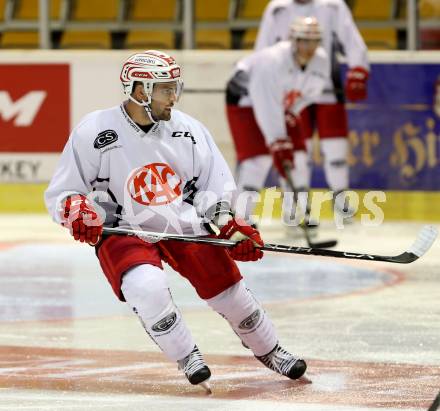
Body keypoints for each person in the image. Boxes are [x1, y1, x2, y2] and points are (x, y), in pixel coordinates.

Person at [44, 50, 307, 392]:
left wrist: (229, 224)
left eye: (174, 87)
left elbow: (212, 187)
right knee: (146, 287)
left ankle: (271, 350)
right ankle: (187, 356)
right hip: (124, 228)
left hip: (182, 223)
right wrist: (77, 212)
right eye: (166, 88)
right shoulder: (95, 130)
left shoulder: (189, 130)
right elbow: (63, 192)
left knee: (230, 292)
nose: (174, 96)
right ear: (140, 91)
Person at [255, 0, 370, 215]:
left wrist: (358, 68)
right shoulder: (277, 8)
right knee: (297, 152)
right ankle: (296, 205)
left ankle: (340, 201)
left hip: (326, 86)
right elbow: (262, 50)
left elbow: (352, 40)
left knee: (335, 150)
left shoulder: (333, 6)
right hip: (290, 90)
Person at [226, 16, 330, 227]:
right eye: (304, 41)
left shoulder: (321, 60)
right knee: (258, 160)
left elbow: (309, 94)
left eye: (314, 41)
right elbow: (265, 102)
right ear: (294, 40)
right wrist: (277, 139)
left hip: (280, 104)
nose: (310, 47)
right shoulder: (272, 61)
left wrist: (293, 110)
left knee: (299, 156)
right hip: (245, 100)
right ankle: (241, 218)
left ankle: (296, 214)